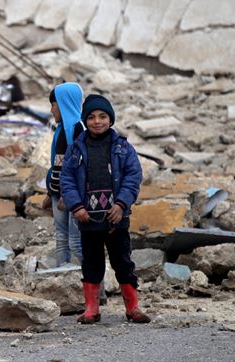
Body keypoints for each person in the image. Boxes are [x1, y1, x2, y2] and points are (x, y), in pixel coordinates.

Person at [60, 94, 150, 324]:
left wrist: (121, 204)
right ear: (85, 120)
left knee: (123, 262)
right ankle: (92, 309)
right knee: (91, 263)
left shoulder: (122, 146)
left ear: (110, 119)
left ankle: (132, 307)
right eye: (91, 117)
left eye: (102, 116)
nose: (97, 121)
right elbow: (67, 179)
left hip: (116, 218)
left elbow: (133, 176)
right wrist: (76, 207)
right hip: (88, 219)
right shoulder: (76, 148)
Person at [42, 83, 85, 266]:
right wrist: (49, 193)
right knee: (61, 238)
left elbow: (79, 167)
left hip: (72, 195)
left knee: (75, 241)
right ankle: (62, 277)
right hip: (57, 192)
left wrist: (69, 195)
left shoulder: (78, 130)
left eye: (54, 104)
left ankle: (84, 280)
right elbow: (56, 164)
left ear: (65, 103)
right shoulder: (60, 130)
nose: (52, 110)